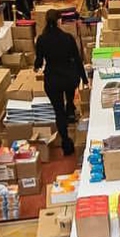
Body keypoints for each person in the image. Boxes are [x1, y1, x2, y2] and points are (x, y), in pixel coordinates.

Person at [34, 9, 88, 156]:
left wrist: (36, 67)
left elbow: (38, 61)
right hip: (70, 77)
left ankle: (65, 141)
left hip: (53, 79)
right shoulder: (68, 38)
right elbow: (77, 59)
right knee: (69, 96)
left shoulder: (41, 40)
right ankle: (70, 106)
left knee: (58, 112)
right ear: (59, 21)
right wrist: (84, 78)